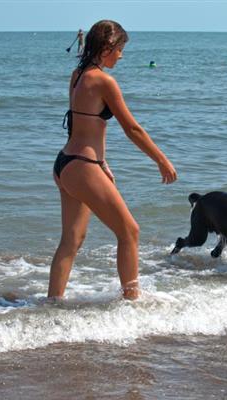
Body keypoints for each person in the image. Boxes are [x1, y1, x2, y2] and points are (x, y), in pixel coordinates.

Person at [49, 20, 177, 301]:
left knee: (71, 240)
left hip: (66, 163)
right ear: (107, 47)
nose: (121, 56)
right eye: (119, 49)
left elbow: (79, 123)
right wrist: (161, 160)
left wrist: (102, 162)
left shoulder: (77, 75)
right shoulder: (105, 82)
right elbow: (132, 129)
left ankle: (52, 303)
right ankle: (132, 303)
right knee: (130, 231)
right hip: (83, 165)